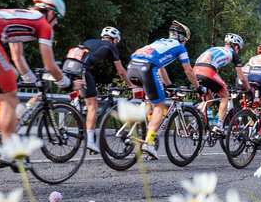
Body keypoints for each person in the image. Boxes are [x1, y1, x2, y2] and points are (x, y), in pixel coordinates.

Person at [0, 0, 83, 154]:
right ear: (51, 12)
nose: (56, 23)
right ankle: (8, 150)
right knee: (11, 99)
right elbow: (50, 65)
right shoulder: (43, 24)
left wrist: (31, 80)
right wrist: (68, 84)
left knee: (11, 75)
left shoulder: (20, 16)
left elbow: (17, 57)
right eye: (57, 18)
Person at [126, 21, 204, 159]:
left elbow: (161, 68)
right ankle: (149, 142)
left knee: (150, 101)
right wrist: (198, 87)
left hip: (132, 66)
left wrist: (168, 85)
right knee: (159, 107)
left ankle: (140, 132)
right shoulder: (180, 47)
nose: (185, 43)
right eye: (185, 40)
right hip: (147, 68)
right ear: (182, 38)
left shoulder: (160, 42)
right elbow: (189, 71)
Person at [62, 26, 132, 153]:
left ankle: (75, 113)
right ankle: (90, 141)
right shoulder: (111, 46)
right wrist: (131, 85)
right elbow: (121, 71)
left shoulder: (91, 42)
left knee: (82, 96)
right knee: (92, 105)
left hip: (67, 65)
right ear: (115, 40)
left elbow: (88, 63)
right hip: (81, 68)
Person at [193, 33, 249, 136]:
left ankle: (193, 122)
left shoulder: (215, 49)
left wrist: (223, 84)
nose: (238, 51)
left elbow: (215, 72)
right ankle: (219, 125)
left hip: (195, 72)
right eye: (238, 48)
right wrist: (248, 89)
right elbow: (242, 77)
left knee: (208, 99)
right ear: (236, 46)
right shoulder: (233, 53)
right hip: (207, 71)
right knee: (225, 96)